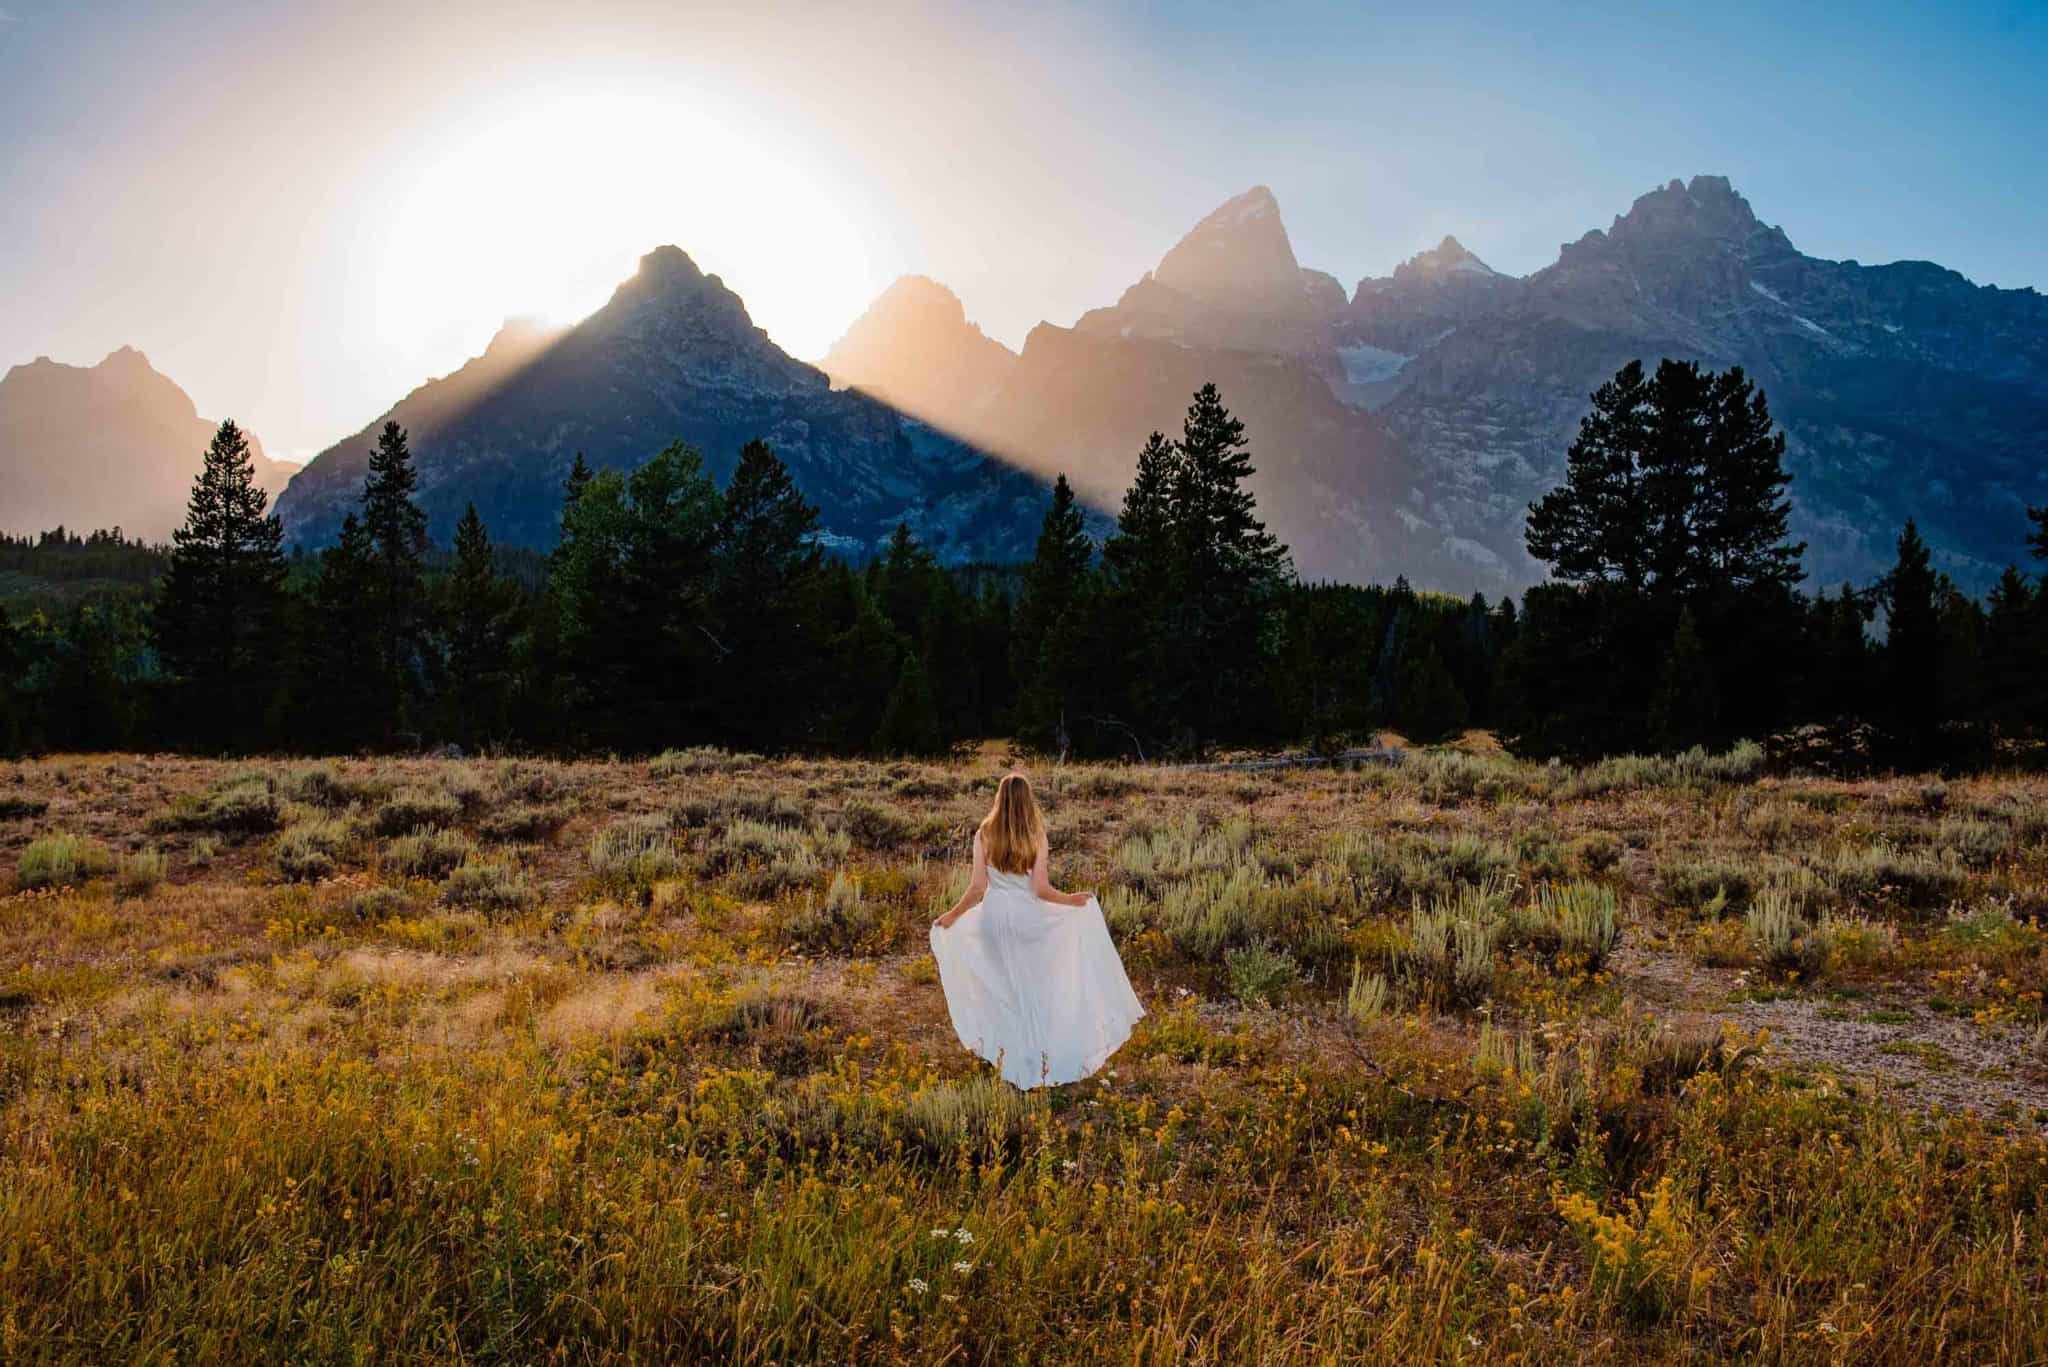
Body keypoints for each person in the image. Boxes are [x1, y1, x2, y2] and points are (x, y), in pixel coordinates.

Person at [929, 772, 1144, 1088]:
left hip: (993, 918)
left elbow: (977, 888)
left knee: (1004, 990)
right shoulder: (1036, 835)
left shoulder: (985, 833)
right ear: (1028, 800)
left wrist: (952, 915)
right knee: (1036, 988)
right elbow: (1041, 890)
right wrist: (1071, 900)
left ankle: (1013, 1060)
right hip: (1028, 919)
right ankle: (1037, 1058)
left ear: (999, 798)